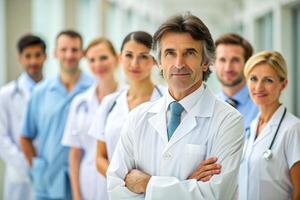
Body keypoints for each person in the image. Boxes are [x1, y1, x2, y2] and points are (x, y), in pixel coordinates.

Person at [106, 13, 244, 200]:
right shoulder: (137, 118)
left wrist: (147, 184)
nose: (179, 64)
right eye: (170, 53)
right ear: (159, 62)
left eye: (189, 53)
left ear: (205, 62)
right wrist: (188, 185)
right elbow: (115, 188)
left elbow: (216, 194)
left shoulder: (229, 121)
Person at [19, 30, 93, 200]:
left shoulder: (94, 89)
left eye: (74, 50)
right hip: (47, 181)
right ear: (55, 53)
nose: (69, 55)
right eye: (64, 49)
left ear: (82, 53)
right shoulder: (40, 92)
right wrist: (37, 167)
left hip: (85, 181)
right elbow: (25, 136)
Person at [89, 31, 165, 179]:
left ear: (155, 61)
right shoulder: (109, 103)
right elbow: (100, 157)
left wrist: (147, 185)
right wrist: (125, 181)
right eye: (129, 55)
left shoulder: (167, 100)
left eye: (143, 56)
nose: (134, 64)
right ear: (120, 58)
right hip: (116, 191)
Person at [61, 37, 119, 200]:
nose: (98, 64)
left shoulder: (128, 99)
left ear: (116, 59)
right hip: (87, 182)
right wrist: (77, 196)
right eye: (92, 60)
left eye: (103, 58)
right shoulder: (80, 102)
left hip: (119, 184)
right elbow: (75, 153)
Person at [238, 51, 300, 200]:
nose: (259, 87)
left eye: (268, 80)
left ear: (283, 84)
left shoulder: (293, 129)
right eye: (253, 79)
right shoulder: (252, 126)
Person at [0, 34, 46, 200]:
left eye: (37, 55)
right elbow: (1, 138)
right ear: (20, 58)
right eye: (28, 56)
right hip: (19, 174)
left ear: (45, 57)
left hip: (48, 173)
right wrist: (28, 165)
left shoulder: (52, 92)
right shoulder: (6, 95)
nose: (33, 61)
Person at [215, 33, 258, 129]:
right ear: (214, 64)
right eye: (222, 60)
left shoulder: (261, 107)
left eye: (235, 60)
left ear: (247, 63)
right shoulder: (207, 106)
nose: (228, 68)